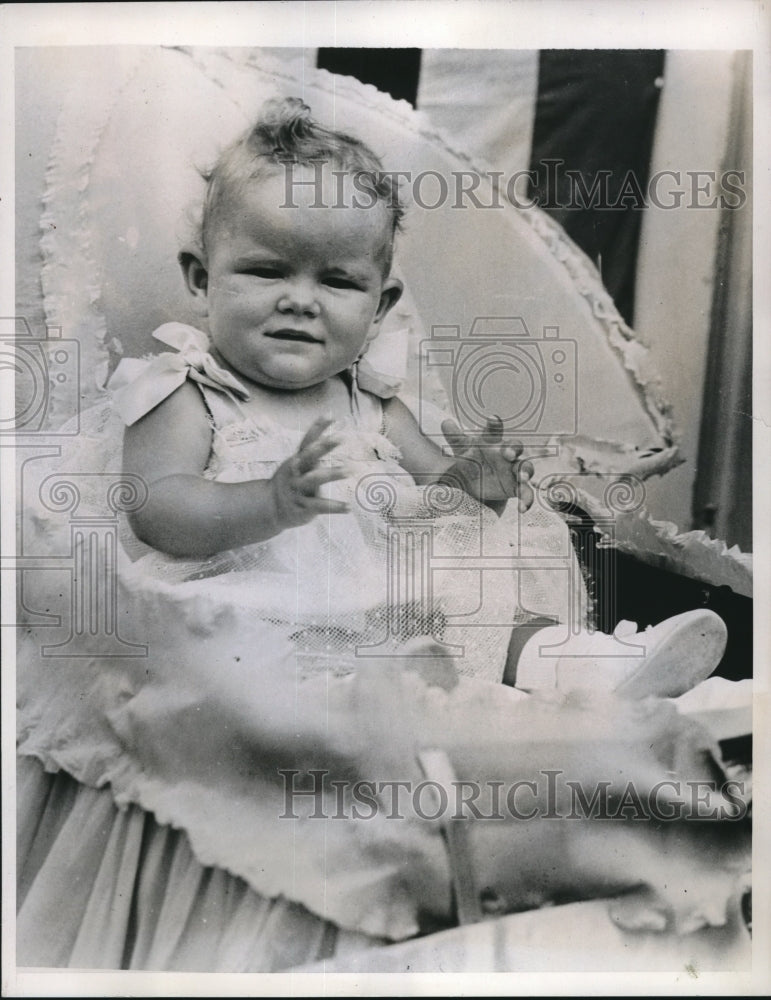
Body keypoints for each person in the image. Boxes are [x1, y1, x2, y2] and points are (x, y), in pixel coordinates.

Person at [16, 97, 740, 971]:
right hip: (263, 603)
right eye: (265, 270)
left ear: (380, 298)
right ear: (200, 277)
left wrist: (473, 477)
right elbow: (157, 508)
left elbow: (435, 481)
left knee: (478, 597)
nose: (298, 302)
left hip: (391, 599)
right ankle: (444, 717)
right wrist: (270, 501)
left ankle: (580, 667)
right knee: (281, 675)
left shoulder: (369, 395)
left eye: (337, 282)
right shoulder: (186, 390)